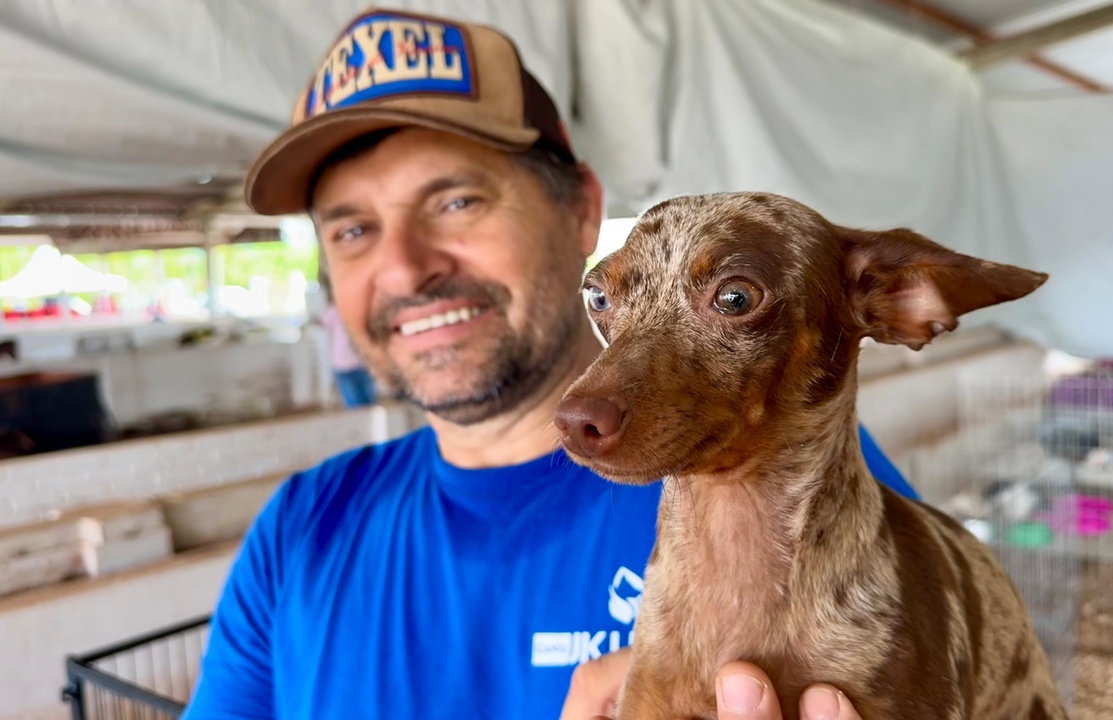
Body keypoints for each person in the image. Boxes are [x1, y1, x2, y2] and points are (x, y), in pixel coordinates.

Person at [182, 9, 915, 720]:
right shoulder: (300, 530)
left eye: (457, 201)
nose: (404, 268)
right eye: (352, 229)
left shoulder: (802, 487)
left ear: (581, 214)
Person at [315, 270, 380, 407]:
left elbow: (319, 323)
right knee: (367, 402)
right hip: (361, 362)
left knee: (356, 403)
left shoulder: (334, 310)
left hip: (348, 364)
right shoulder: (354, 307)